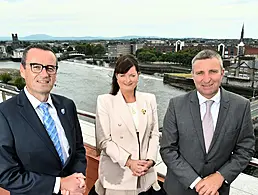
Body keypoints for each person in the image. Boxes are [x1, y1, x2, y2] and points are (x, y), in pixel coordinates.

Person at [160, 49, 255, 195]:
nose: (206, 79)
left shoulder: (241, 106)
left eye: (212, 71)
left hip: (218, 190)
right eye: (200, 73)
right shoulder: (176, 105)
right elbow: (168, 149)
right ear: (193, 75)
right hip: (179, 190)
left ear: (222, 73)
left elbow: (245, 149)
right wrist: (197, 183)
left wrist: (220, 177)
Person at [0, 44, 87, 195]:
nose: (44, 74)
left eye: (50, 68)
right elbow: (6, 174)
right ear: (22, 70)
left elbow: (78, 149)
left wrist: (77, 179)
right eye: (36, 67)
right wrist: (59, 184)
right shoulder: (4, 113)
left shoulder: (67, 105)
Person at [95, 54, 160, 195]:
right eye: (122, 75)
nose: (127, 80)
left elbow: (154, 134)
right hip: (118, 177)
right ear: (116, 76)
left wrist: (150, 160)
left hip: (145, 175)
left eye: (132, 75)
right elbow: (104, 141)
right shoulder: (105, 101)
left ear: (139, 75)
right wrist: (130, 162)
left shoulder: (149, 100)